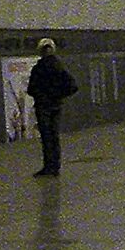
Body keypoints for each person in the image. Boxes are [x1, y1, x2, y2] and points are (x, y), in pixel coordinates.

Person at [27, 36, 77, 177]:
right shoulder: (59, 67)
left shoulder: (38, 69)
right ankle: (55, 166)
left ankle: (48, 166)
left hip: (43, 106)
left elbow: (31, 89)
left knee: (46, 137)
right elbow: (73, 86)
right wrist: (58, 95)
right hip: (56, 106)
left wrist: (42, 95)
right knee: (54, 136)